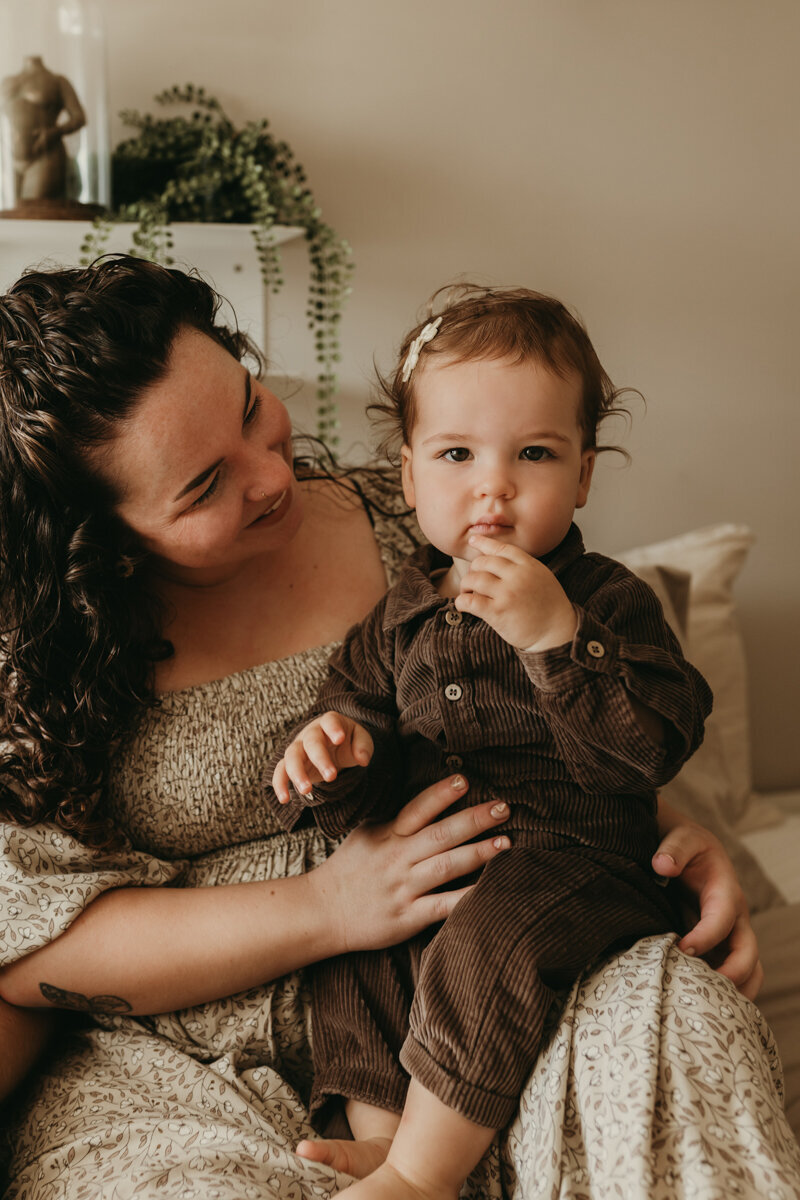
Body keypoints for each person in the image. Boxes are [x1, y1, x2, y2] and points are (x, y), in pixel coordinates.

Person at [0, 255, 792, 1200]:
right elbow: (31, 935)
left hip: (505, 954)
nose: (270, 474)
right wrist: (332, 908)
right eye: (206, 485)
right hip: (186, 1059)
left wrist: (663, 835)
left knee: (686, 1038)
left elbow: (536, 706)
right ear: (100, 542)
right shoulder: (45, 656)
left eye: (252, 407)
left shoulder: (426, 510)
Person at [270, 286, 709, 1198]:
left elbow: (656, 744)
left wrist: (558, 639)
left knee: (490, 941)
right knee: (347, 949)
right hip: (434, 864)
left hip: (575, 861)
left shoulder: (607, 600)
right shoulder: (398, 616)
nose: (493, 485)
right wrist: (340, 755)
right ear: (409, 476)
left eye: (535, 454)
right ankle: (381, 1136)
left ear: (583, 477)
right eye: (457, 453)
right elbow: (359, 724)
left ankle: (425, 1176)